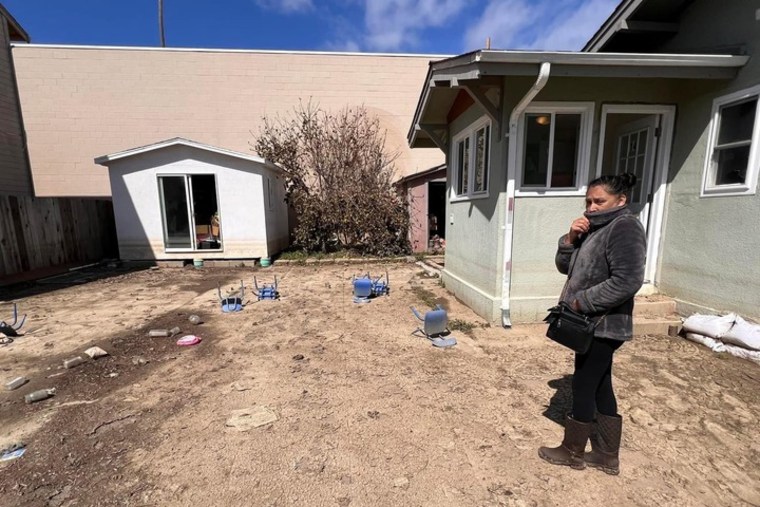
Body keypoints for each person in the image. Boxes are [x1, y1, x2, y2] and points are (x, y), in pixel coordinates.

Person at [538, 172, 646, 476]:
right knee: (600, 385)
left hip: (604, 323)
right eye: (588, 201)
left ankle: (572, 451)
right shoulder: (594, 227)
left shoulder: (624, 227)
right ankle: (607, 456)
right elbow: (565, 268)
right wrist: (570, 239)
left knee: (583, 383)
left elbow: (628, 280)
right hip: (589, 323)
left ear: (620, 200)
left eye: (599, 201)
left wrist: (581, 302)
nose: (592, 206)